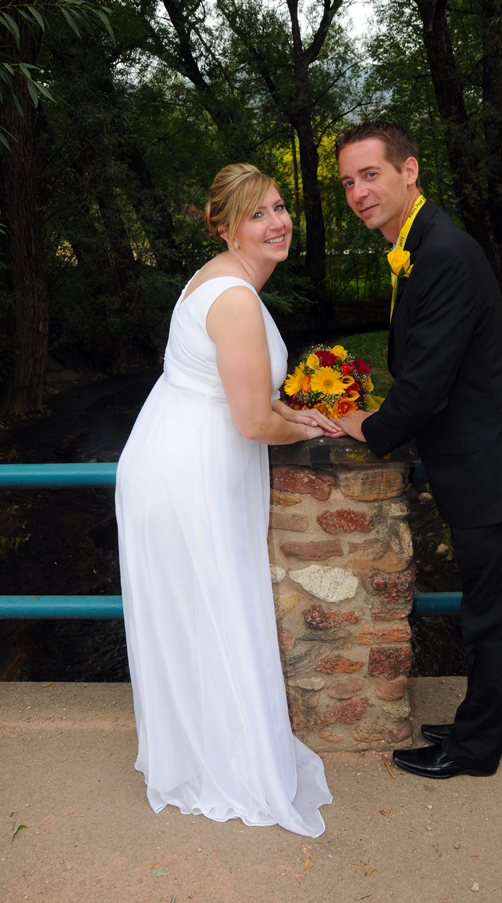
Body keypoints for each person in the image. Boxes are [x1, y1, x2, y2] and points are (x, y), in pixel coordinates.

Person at [115, 163, 339, 835]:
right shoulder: (236, 298)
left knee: (200, 610)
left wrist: (293, 407)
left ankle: (199, 748)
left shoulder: (219, 278)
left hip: (179, 458)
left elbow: (241, 393)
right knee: (214, 606)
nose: (277, 222)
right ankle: (221, 763)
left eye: (278, 206)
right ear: (224, 227)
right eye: (257, 214)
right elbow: (250, 421)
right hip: (191, 474)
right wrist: (303, 421)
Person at [335, 121, 502, 779]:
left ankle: (475, 746)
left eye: (369, 174)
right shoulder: (422, 243)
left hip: (493, 469)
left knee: (492, 614)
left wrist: (367, 427)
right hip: (486, 466)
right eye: (348, 182)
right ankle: (499, 722)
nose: (357, 192)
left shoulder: (441, 253)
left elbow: (426, 383)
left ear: (410, 171)